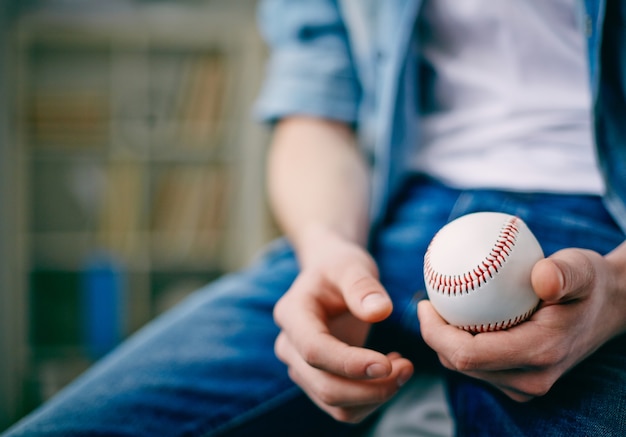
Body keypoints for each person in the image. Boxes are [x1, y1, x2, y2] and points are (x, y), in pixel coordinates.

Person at [5, 0, 626, 435]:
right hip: (386, 219)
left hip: (603, 237)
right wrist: (327, 250)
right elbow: (313, 112)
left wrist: (618, 291)